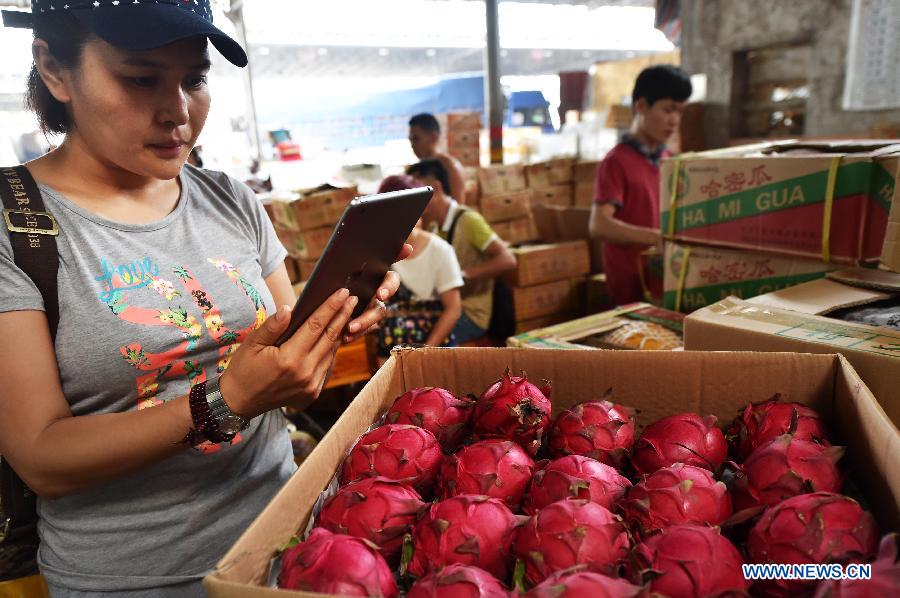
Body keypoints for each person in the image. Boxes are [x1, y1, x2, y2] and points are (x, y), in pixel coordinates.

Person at [0, 2, 406, 595]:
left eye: (194, 78)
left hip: (289, 542)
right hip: (136, 580)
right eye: (141, 79)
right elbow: (41, 455)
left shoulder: (228, 200)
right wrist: (227, 399)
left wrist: (339, 315)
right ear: (55, 69)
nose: (179, 112)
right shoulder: (16, 226)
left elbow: (283, 349)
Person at [588, 64, 692, 305]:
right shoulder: (616, 161)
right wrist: (655, 237)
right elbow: (599, 225)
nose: (675, 121)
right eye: (668, 110)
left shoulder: (668, 161)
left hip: (663, 279)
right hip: (630, 286)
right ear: (641, 106)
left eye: (680, 112)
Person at [406, 159, 516, 344]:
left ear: (436, 188)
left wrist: (465, 274)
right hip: (443, 306)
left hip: (470, 313)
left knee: (422, 338)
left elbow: (508, 260)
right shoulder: (433, 227)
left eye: (417, 194)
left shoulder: (469, 221)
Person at [374, 175, 463, 363]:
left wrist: (425, 352)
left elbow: (453, 308)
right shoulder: (377, 251)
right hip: (390, 346)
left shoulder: (440, 250)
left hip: (434, 346)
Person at [408, 113, 468, 204]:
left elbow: (457, 206)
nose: (412, 145)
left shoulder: (451, 167)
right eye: (410, 140)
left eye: (416, 139)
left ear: (433, 138)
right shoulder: (417, 169)